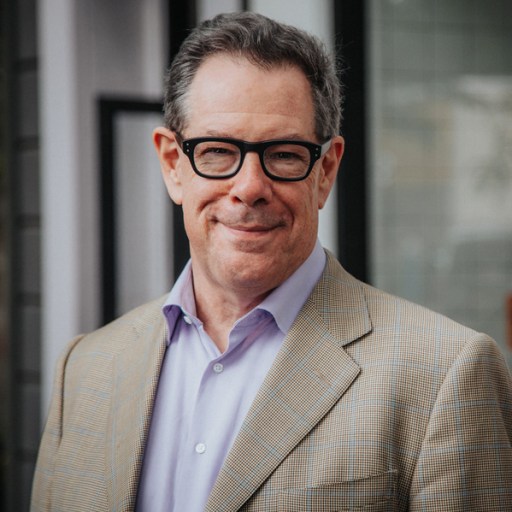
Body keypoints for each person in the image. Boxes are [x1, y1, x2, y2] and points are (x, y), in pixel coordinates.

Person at [31, 11, 512, 512]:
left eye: (283, 154)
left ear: (325, 171)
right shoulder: (84, 368)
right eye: (217, 151)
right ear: (173, 165)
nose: (250, 188)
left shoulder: (446, 375)